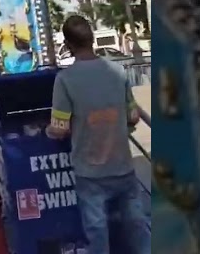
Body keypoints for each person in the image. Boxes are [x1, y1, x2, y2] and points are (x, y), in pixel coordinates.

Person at [45, 15, 149, 254]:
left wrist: (46, 130)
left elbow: (60, 129)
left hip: (90, 174)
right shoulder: (117, 71)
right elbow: (132, 116)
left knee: (98, 234)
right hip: (123, 167)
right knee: (138, 229)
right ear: (92, 39)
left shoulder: (65, 80)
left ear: (69, 45)